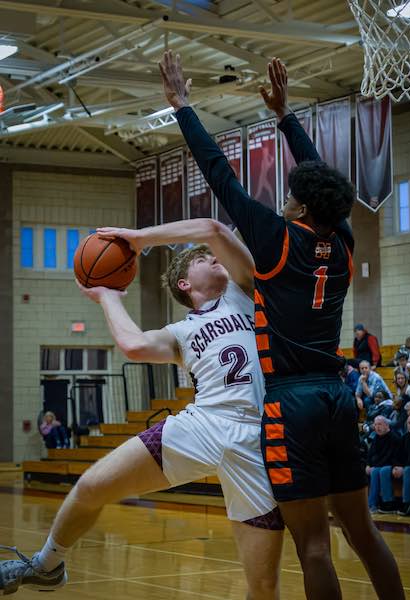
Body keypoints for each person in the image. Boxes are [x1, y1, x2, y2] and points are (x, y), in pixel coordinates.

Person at [159, 52, 405, 600]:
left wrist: (183, 107)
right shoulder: (342, 241)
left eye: (292, 191)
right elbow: (324, 179)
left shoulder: (277, 241)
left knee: (314, 547)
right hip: (339, 398)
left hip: (291, 402)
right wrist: (286, 115)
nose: (285, 193)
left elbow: (219, 175)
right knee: (363, 532)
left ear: (300, 205)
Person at [0, 219, 284, 597]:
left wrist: (139, 239)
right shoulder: (180, 332)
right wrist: (108, 297)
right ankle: (46, 565)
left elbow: (215, 231)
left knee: (263, 586)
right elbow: (133, 345)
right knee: (90, 486)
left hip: (255, 437)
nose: (213, 256)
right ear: (184, 283)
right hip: (204, 423)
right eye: (202, 258)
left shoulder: (244, 292)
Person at [379, 414, 410, 517]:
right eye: (409, 423)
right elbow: (396, 455)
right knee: (384, 470)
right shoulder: (405, 438)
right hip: (406, 468)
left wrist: (404, 468)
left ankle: (407, 503)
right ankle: (389, 503)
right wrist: (396, 467)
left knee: (408, 470)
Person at [365, 417, 400, 513]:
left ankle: (389, 503)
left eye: (379, 424)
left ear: (386, 425)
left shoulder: (394, 437)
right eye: (375, 425)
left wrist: (375, 466)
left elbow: (390, 456)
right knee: (375, 471)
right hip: (380, 465)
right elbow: (370, 454)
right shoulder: (376, 437)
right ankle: (372, 504)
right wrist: (368, 465)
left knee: (381, 470)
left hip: (392, 465)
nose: (377, 427)